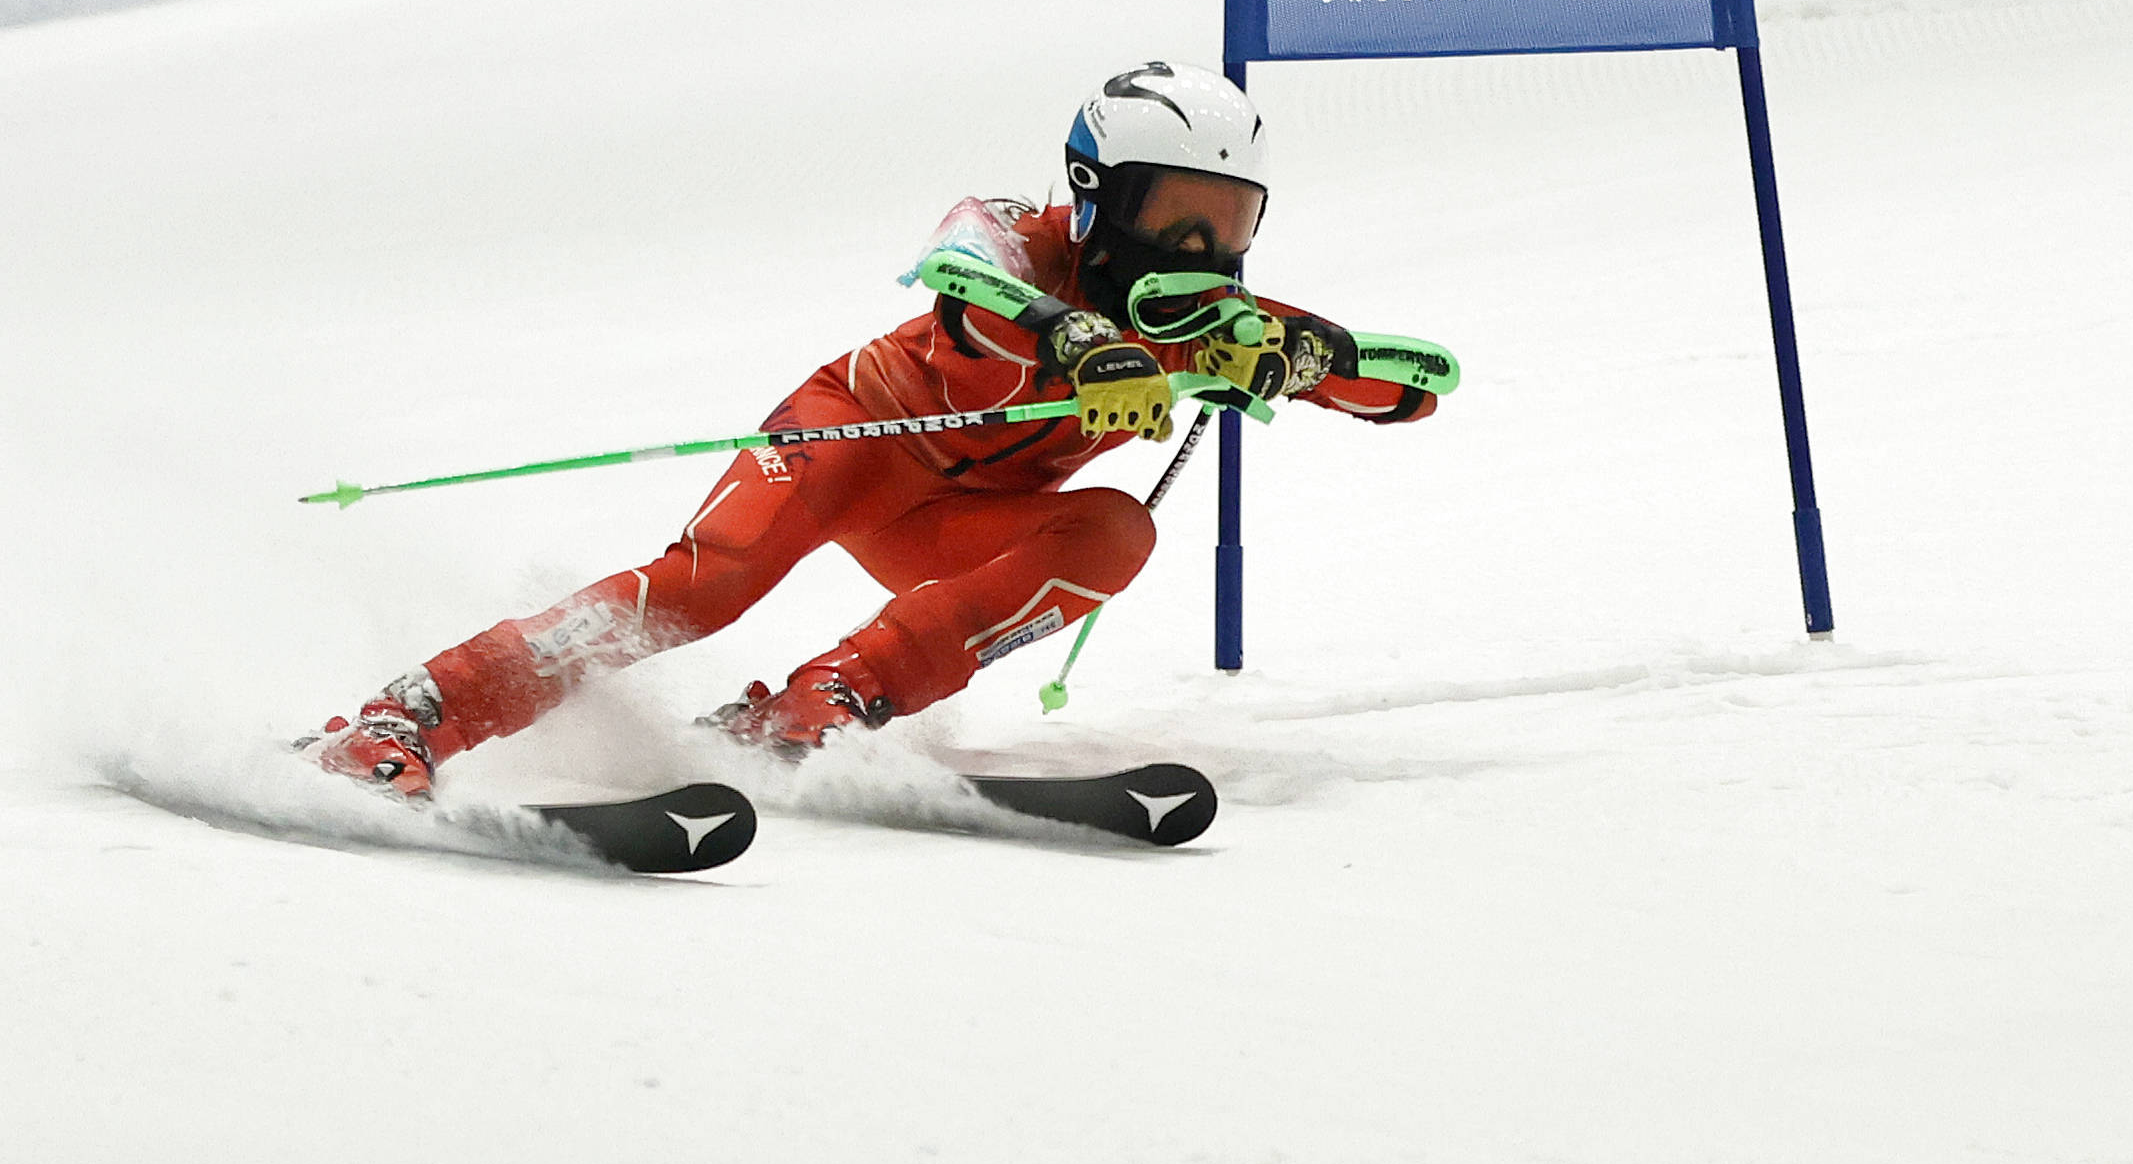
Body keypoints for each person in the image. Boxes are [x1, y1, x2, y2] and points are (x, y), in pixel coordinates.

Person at [302, 61, 1441, 798]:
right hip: (849, 442)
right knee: (706, 584)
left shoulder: (1205, 317)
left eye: (1229, 222)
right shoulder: (1016, 234)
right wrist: (1078, 341)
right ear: (1094, 190)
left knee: (1113, 531)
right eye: (1173, 214)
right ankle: (410, 716)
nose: (1199, 250)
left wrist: (1312, 355)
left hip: (957, 520)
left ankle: (822, 699)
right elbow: (959, 274)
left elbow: (1420, 383)